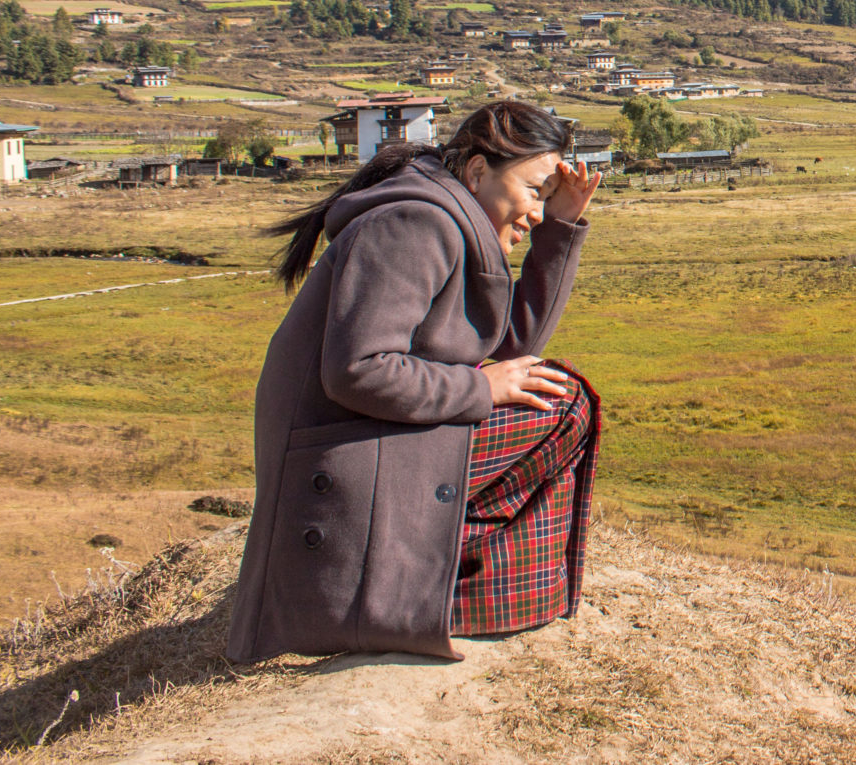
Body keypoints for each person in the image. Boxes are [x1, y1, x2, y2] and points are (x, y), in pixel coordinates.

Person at [227, 100, 603, 662]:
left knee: (554, 394)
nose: (535, 213)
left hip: (363, 440)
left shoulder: (448, 220)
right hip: (339, 457)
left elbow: (513, 349)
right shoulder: (415, 225)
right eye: (533, 192)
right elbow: (358, 370)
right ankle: (439, 591)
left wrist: (562, 227)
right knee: (562, 404)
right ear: (477, 171)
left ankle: (447, 590)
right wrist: (481, 390)